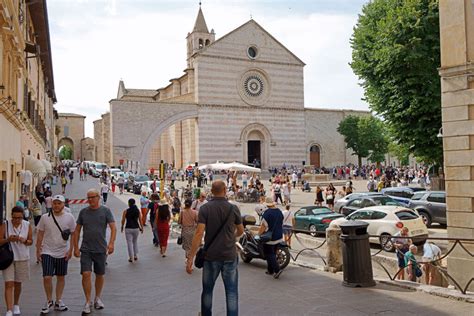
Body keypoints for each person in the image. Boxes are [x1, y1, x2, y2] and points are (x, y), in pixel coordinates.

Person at [186, 180, 244, 316]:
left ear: (211, 191)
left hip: (211, 256)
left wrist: (190, 257)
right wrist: (232, 237)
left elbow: (199, 233)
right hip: (229, 255)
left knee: (207, 290)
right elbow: (241, 231)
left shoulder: (205, 208)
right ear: (225, 190)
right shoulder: (233, 208)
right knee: (231, 292)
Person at [73, 188, 116, 314]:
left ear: (98, 197)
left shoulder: (105, 211)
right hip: (86, 249)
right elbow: (77, 230)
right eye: (88, 197)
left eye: (92, 197)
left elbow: (113, 227)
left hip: (100, 249)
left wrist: (111, 243)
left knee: (99, 274)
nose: (90, 200)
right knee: (86, 274)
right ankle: (87, 301)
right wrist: (76, 247)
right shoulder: (83, 212)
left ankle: (97, 297)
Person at [36, 195, 76, 314]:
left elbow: (74, 234)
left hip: (63, 251)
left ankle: (58, 300)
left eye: (59, 203)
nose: (57, 205)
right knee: (47, 277)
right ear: (51, 204)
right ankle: (49, 300)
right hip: (47, 250)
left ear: (63, 204)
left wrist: (71, 250)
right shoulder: (45, 217)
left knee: (61, 277)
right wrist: (38, 250)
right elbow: (40, 234)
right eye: (55, 203)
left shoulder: (69, 217)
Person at [0, 206, 33, 316]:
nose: (17, 220)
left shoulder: (27, 225)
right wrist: (8, 239)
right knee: (9, 283)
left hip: (22, 257)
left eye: (19, 218)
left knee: (18, 283)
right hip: (8, 258)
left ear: (23, 216)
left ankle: (16, 305)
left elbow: (30, 241)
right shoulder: (6, 224)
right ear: (11, 216)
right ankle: (9, 309)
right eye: (15, 217)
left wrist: (24, 240)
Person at [258, 197, 284, 279]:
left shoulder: (267, 213)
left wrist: (258, 234)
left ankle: (277, 269)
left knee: (269, 254)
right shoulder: (279, 212)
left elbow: (263, 226)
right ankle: (270, 270)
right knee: (273, 252)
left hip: (270, 237)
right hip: (279, 236)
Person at [121, 198, 143, 262]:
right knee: (135, 241)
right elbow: (140, 220)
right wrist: (142, 227)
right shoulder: (137, 210)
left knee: (129, 243)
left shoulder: (126, 211)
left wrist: (122, 226)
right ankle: (135, 255)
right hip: (136, 228)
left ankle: (131, 257)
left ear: (129, 203)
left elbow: (123, 220)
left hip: (128, 228)